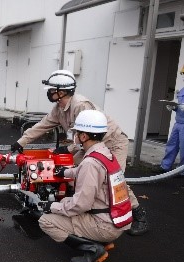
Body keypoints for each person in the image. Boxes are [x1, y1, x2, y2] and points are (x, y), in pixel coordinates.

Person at [10, 69, 149, 236]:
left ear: (61, 92)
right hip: (88, 144)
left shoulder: (81, 105)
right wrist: (21, 141)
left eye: (51, 90)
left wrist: (68, 148)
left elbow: (89, 135)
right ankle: (82, 206)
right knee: (73, 167)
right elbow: (42, 125)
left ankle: (138, 214)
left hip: (112, 142)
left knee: (113, 179)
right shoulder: (59, 108)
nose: (49, 93)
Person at [38, 110, 132, 262]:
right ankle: (102, 241)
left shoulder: (90, 163)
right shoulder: (105, 153)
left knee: (46, 220)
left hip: (105, 225)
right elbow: (85, 170)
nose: (74, 136)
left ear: (83, 136)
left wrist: (51, 206)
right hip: (116, 218)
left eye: (77, 133)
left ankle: (94, 249)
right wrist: (64, 172)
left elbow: (81, 205)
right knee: (67, 203)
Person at [157, 65, 184, 177]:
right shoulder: (182, 90)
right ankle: (165, 167)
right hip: (178, 123)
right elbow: (178, 103)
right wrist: (173, 107)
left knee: (183, 148)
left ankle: (181, 171)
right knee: (171, 145)